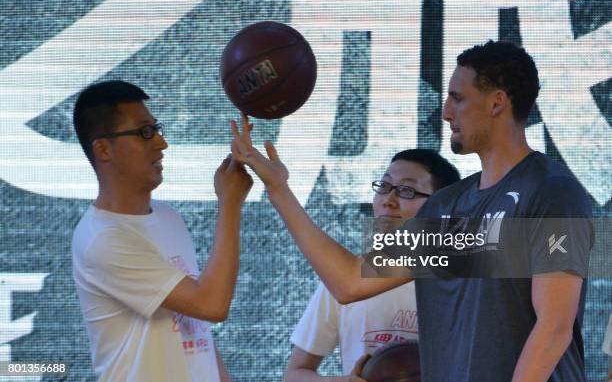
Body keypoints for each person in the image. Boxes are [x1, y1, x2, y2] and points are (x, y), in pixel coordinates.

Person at [231, 40, 592, 382]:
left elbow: (554, 325)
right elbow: (350, 281)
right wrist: (278, 189)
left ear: (497, 103)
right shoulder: (448, 205)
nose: (446, 111)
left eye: (457, 98)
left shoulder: (552, 192)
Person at [71, 80, 253, 382]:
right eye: (144, 132)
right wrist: (230, 202)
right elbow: (212, 304)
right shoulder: (103, 240)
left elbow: (195, 325)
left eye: (157, 129)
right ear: (103, 149)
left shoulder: (168, 217)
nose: (161, 143)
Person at [285, 149, 459, 382]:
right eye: (384, 187)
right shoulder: (342, 277)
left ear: (442, 207)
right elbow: (295, 374)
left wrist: (278, 189)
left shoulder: (466, 280)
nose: (389, 201)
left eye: (407, 190)